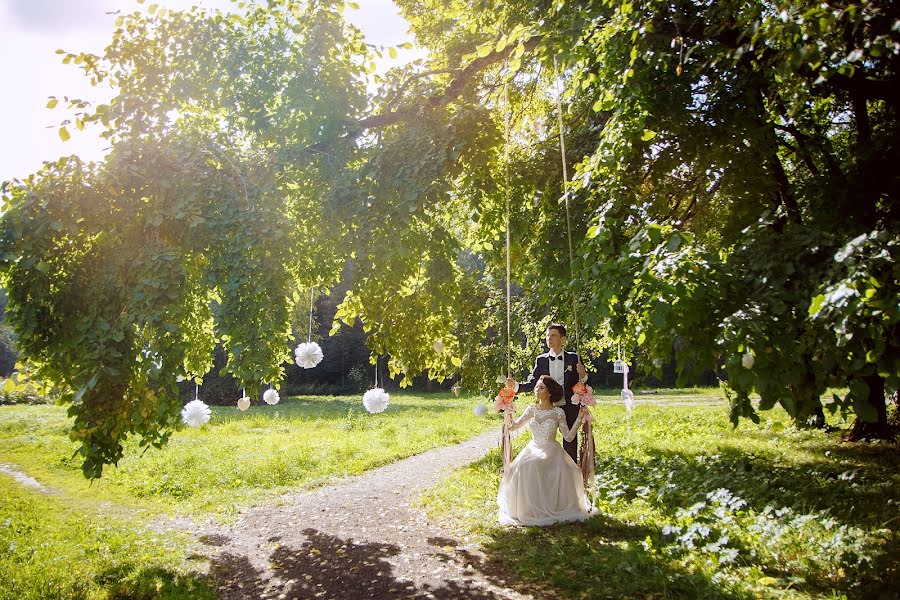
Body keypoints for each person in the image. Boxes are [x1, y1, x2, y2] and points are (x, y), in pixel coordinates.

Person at [497, 375, 597, 526]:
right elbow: (513, 427)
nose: (537, 390)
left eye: (541, 387)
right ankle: (527, 509)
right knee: (524, 466)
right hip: (533, 447)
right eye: (536, 386)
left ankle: (544, 508)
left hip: (551, 450)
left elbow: (568, 437)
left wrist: (578, 419)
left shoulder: (558, 412)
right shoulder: (531, 410)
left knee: (534, 464)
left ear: (549, 392)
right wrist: (508, 411)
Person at [507, 323, 587, 462]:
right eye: (548, 336)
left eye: (553, 335)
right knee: (546, 447)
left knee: (570, 444)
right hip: (547, 406)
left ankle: (569, 476)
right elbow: (533, 383)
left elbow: (582, 383)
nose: (549, 338)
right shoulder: (541, 360)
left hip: (568, 405)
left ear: (562, 339)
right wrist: (515, 387)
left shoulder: (573, 358)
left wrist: (584, 375)